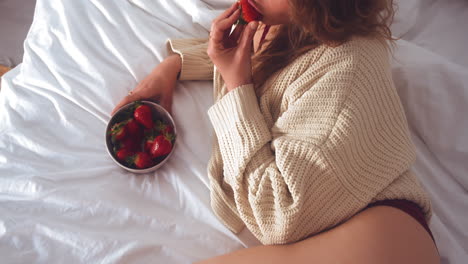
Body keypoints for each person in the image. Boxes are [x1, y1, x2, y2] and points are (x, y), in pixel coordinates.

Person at [112, 0, 440, 263]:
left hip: (382, 236)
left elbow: (277, 213)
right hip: (336, 219)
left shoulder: (346, 69)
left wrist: (236, 85)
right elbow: (255, 56)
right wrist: (174, 66)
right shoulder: (293, 20)